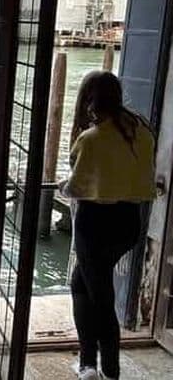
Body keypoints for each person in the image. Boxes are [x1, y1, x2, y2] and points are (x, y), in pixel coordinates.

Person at [58, 72, 157, 380]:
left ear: (90, 101)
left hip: (94, 224)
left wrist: (61, 187)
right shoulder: (142, 131)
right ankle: (89, 362)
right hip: (129, 221)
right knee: (83, 285)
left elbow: (77, 187)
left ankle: (106, 370)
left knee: (99, 297)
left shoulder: (92, 138)